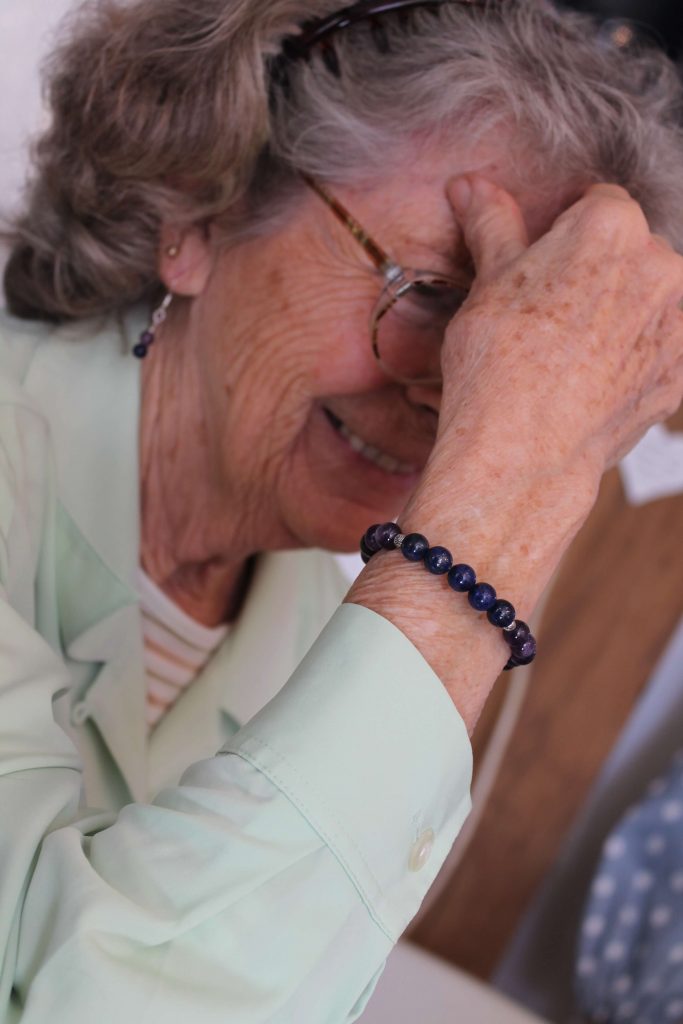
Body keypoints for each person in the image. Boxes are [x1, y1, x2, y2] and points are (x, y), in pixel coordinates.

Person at [1, 0, 683, 1020]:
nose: (462, 396)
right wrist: (507, 497)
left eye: (523, 343)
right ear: (201, 210)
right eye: (432, 291)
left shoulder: (325, 633)